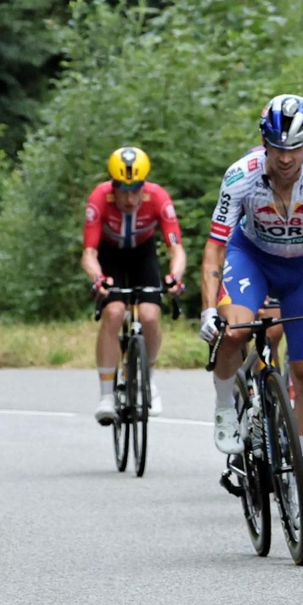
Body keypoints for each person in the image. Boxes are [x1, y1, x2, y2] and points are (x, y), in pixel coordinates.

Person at [198, 95, 303, 530]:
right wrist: (208, 309)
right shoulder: (241, 177)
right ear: (264, 142)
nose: (286, 158)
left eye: (295, 147)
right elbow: (214, 246)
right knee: (234, 332)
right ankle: (225, 405)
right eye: (277, 147)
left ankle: (301, 485)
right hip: (253, 258)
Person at [83, 147, 187, 424]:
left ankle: (148, 381)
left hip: (143, 254)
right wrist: (97, 277)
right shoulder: (99, 199)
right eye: (123, 190)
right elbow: (89, 253)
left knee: (151, 316)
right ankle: (106, 395)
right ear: (112, 186)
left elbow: (176, 248)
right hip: (110, 255)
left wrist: (175, 276)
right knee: (114, 312)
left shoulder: (158, 198)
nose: (130, 199)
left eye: (135, 190)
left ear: (144, 186)